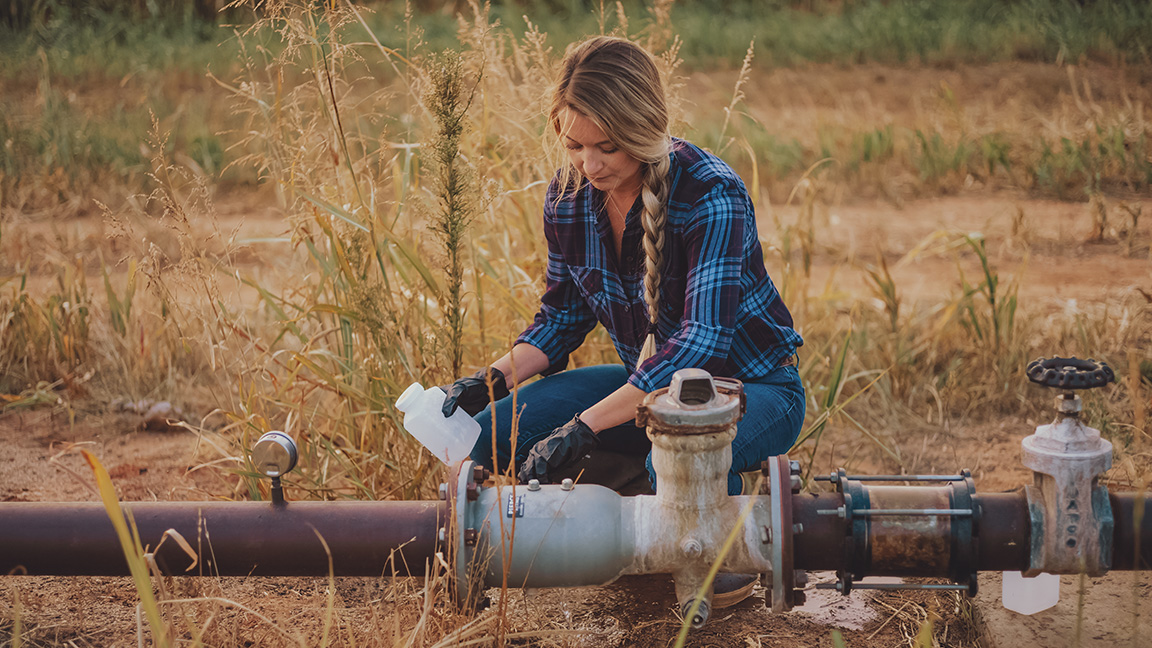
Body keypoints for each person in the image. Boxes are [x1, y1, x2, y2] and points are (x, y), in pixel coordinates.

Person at [442, 35, 804, 498]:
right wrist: (492, 379)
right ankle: (639, 508)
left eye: (608, 147)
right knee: (488, 434)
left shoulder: (712, 194)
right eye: (574, 145)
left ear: (643, 129)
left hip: (749, 388)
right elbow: (561, 319)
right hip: (648, 390)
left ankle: (722, 554)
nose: (589, 165)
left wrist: (585, 427)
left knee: (677, 455)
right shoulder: (568, 197)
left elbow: (702, 345)